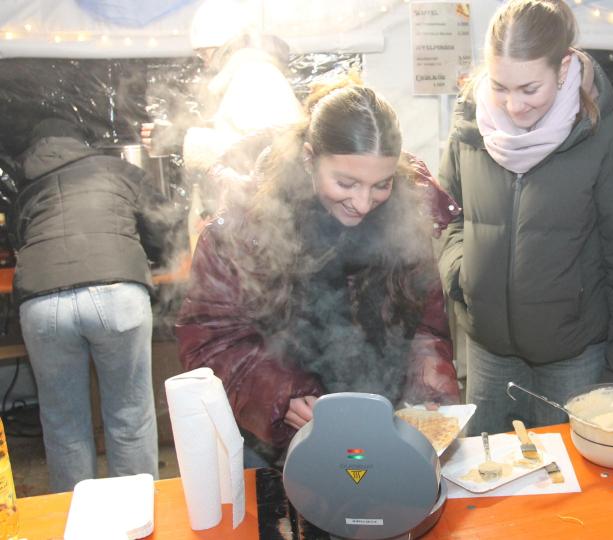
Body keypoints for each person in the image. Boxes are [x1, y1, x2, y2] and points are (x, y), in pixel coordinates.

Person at [174, 84, 461, 467]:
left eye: (381, 185)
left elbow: (425, 326)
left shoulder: (405, 222)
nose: (362, 203)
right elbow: (212, 342)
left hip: (380, 429)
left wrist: (431, 386)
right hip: (276, 442)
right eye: (345, 183)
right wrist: (281, 394)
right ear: (309, 159)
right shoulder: (243, 232)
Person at [436, 0, 613, 435]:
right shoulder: (470, 128)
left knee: (570, 492)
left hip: (574, 361)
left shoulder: (606, 139)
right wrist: (461, 276)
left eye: (529, 89)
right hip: (487, 354)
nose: (512, 105)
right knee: (489, 488)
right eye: (500, 86)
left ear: (563, 69)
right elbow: (448, 218)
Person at [14, 118, 179, 493]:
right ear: (82, 142)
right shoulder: (119, 170)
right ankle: (137, 518)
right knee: (129, 416)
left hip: (42, 303)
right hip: (117, 291)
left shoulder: (26, 191)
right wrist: (153, 254)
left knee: (63, 423)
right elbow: (162, 223)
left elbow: (20, 241)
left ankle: (76, 520)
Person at [142, 0, 304, 211]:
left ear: (226, 47)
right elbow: (241, 134)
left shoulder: (255, 74)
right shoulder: (246, 74)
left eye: (205, 53)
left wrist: (181, 139)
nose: (205, 63)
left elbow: (267, 149)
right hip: (255, 211)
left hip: (268, 214)